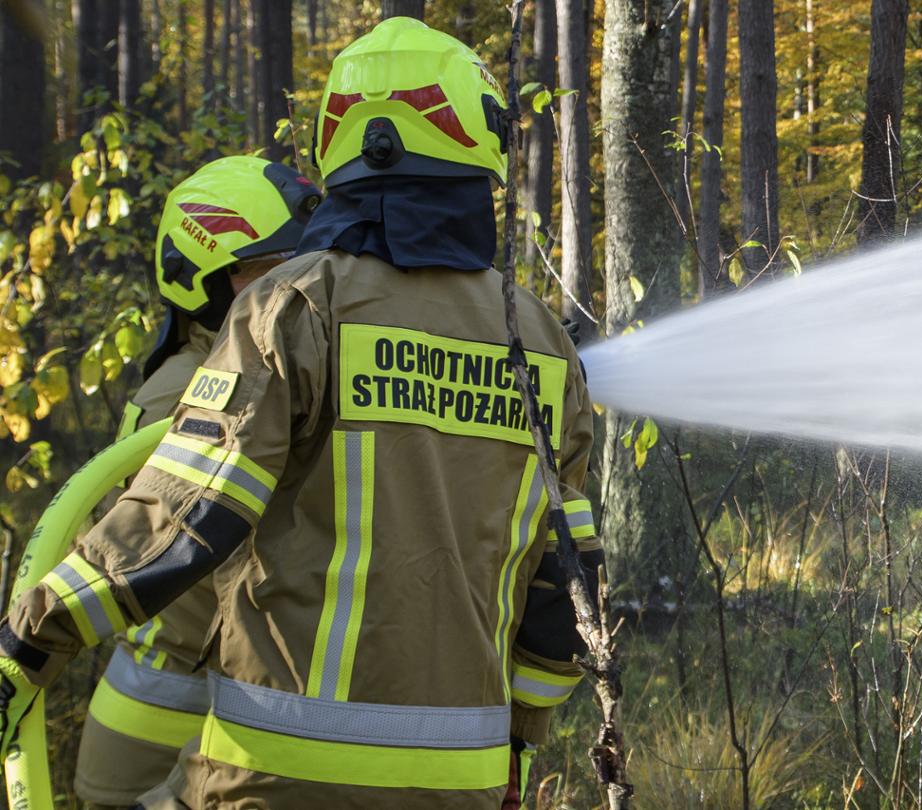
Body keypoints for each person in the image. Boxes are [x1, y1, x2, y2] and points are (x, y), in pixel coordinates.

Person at [0, 17, 601, 808]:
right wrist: (522, 732)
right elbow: (567, 582)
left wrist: (29, 640)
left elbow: (186, 514)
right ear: (477, 151)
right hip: (467, 784)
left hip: (278, 779)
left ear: (351, 145)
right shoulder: (543, 341)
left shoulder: (295, 307)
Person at [73, 156, 320, 809]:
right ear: (203, 282)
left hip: (208, 700)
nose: (301, 287)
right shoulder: (192, 393)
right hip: (166, 718)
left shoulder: (255, 369)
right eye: (272, 272)